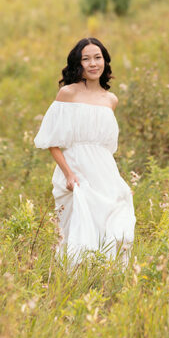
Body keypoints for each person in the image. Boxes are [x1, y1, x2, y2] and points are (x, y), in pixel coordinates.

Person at [34, 37, 135, 266]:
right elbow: (52, 141)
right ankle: (77, 285)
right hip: (77, 173)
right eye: (86, 59)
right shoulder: (68, 94)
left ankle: (109, 281)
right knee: (81, 235)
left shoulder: (111, 100)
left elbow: (105, 148)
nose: (93, 64)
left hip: (105, 174)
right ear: (77, 64)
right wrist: (68, 174)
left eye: (97, 58)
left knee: (118, 230)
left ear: (105, 61)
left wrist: (118, 181)